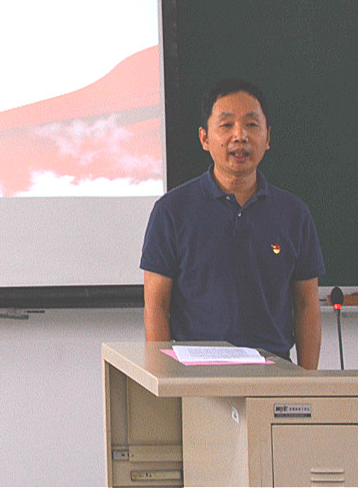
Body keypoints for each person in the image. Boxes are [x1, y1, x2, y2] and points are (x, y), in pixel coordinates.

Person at [139, 78, 325, 369]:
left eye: (252, 125)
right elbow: (156, 306)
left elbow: (306, 305)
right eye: (226, 125)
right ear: (204, 138)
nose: (240, 136)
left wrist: (307, 382)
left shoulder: (293, 214)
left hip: (273, 373)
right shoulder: (172, 211)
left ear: (267, 137)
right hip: (196, 376)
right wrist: (164, 378)